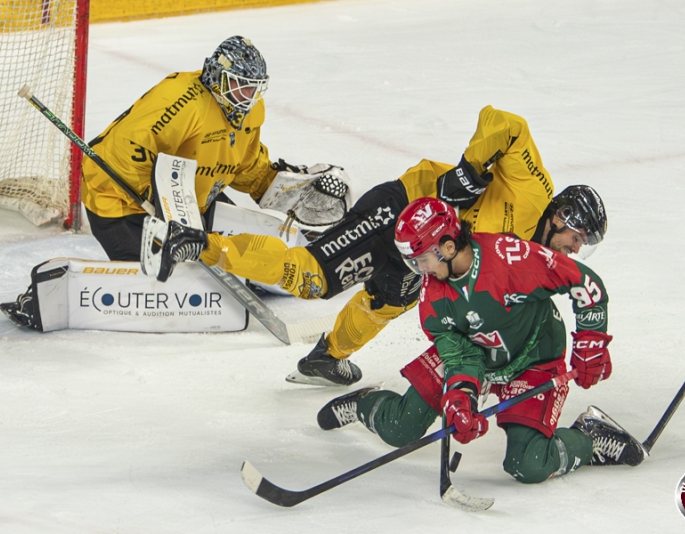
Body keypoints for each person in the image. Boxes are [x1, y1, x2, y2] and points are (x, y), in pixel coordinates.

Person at [156, 105, 608, 386]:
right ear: (561, 215)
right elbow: (506, 123)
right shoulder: (534, 189)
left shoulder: (533, 260)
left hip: (425, 260)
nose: (574, 248)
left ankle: (326, 358)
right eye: (577, 237)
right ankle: (201, 244)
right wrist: (470, 172)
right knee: (310, 277)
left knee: (382, 304)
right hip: (403, 210)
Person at [316, 198, 645, 484]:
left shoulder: (510, 260)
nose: (419, 269)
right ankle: (363, 403)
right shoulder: (433, 299)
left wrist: (591, 342)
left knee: (528, 464)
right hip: (483, 357)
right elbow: (460, 355)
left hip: (534, 358)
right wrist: (462, 396)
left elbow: (584, 283)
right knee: (399, 429)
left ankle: (590, 437)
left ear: (447, 246)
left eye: (421, 259)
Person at [81, 35, 349, 262]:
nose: (247, 98)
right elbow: (124, 153)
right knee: (166, 284)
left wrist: (280, 188)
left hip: (190, 203)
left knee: (252, 260)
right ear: (216, 75)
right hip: (121, 203)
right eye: (239, 86)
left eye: (253, 89)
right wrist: (159, 203)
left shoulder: (250, 110)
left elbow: (244, 165)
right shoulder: (180, 100)